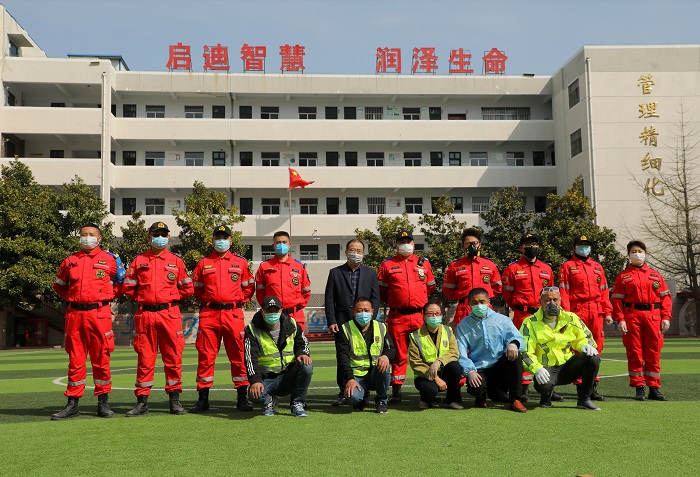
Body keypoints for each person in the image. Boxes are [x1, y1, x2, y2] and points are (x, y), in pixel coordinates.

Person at [51, 224, 123, 420]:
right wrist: (73, 298)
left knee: (101, 359)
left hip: (99, 314)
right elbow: (59, 286)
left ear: (99, 239)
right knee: (75, 360)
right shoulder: (70, 261)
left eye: (91, 235)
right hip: (75, 315)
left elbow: (123, 283)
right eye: (84, 235)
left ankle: (103, 403)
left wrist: (107, 297)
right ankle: (72, 404)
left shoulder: (111, 260)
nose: (87, 238)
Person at [122, 221, 194, 416]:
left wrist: (170, 298)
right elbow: (128, 287)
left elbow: (188, 287)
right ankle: (142, 402)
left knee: (173, 358)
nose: (160, 237)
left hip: (169, 315)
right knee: (145, 359)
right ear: (149, 236)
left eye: (163, 234)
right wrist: (142, 298)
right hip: (145, 314)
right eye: (156, 233)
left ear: (168, 237)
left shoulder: (176, 261)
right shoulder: (138, 261)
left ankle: (175, 401)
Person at [189, 225, 255, 413]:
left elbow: (249, 287)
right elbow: (197, 289)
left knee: (238, 356)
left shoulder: (240, 263)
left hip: (232, 315)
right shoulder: (203, 263)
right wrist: (211, 302)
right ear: (212, 240)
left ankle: (242, 398)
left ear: (231, 241)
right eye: (218, 237)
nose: (221, 240)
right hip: (209, 315)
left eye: (224, 237)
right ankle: (203, 399)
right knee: (205, 357)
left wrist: (236, 302)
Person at [377, 229, 436, 403]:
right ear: (396, 245)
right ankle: (396, 390)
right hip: (397, 317)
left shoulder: (424, 263)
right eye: (402, 241)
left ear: (413, 244)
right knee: (399, 355)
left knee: (425, 353)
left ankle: (428, 388)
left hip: (419, 316)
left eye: (408, 241)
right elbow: (382, 290)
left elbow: (430, 287)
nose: (405, 244)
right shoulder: (387, 265)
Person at [520, 287, 602, 411]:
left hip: (567, 367)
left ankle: (584, 399)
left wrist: (584, 345)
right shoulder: (530, 322)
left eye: (555, 299)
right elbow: (525, 351)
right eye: (547, 300)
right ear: (540, 302)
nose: (552, 303)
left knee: (593, 359)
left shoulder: (571, 318)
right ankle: (546, 395)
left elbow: (585, 336)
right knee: (544, 386)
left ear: (560, 300)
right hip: (545, 369)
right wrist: (536, 369)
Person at [611, 240, 671, 401]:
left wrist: (666, 317)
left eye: (640, 251)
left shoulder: (655, 275)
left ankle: (654, 387)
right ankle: (639, 387)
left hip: (653, 316)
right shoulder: (623, 277)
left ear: (645, 253)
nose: (637, 254)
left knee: (653, 352)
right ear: (629, 255)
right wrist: (620, 319)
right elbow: (616, 300)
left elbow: (666, 298)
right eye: (633, 251)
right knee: (635, 352)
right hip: (632, 316)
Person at [324, 239, 380, 406]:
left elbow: (375, 298)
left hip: (365, 323)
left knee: (367, 356)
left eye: (359, 250)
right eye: (353, 250)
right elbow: (329, 299)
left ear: (363, 253)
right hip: (342, 322)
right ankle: (343, 391)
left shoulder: (370, 273)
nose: (356, 253)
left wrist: (371, 317)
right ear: (346, 252)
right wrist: (332, 320)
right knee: (343, 357)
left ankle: (366, 390)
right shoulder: (335, 273)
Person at [558, 234, 613, 400]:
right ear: (574, 248)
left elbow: (604, 292)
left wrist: (607, 312)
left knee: (597, 347)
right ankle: (581, 386)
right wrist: (567, 314)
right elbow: (564, 292)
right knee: (579, 348)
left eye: (587, 245)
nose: (584, 248)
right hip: (578, 310)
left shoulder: (597, 267)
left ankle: (592, 386)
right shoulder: (567, 266)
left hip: (595, 311)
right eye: (581, 245)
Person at [454, 288, 527, 412]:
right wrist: (470, 371)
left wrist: (513, 344)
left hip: (500, 366)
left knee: (516, 356)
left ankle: (515, 399)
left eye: (482, 301)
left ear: (488, 301)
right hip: (479, 368)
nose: (479, 305)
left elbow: (519, 339)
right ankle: (481, 396)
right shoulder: (463, 325)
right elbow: (460, 352)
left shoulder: (503, 320)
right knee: (477, 387)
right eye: (475, 302)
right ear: (469, 303)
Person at [501, 232, 554, 401]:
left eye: (535, 244)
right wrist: (519, 307)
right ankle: (522, 388)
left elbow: (551, 293)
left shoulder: (546, 269)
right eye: (528, 244)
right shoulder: (512, 269)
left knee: (546, 349)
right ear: (521, 248)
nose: (533, 247)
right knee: (523, 351)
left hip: (543, 315)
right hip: (522, 315)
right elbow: (506, 294)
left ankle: (549, 385)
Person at [245, 295, 313, 417]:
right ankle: (270, 400)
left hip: (288, 375)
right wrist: (255, 381)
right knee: (254, 395)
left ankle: (297, 403)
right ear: (262, 312)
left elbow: (302, 342)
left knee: (306, 365)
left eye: (275, 311)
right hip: (267, 379)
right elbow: (250, 358)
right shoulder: (252, 329)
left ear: (281, 311)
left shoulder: (291, 323)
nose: (273, 314)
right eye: (269, 311)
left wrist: (302, 353)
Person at [336, 296, 395, 414]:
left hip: (375, 373)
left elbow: (391, 349)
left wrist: (385, 356)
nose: (363, 313)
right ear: (353, 313)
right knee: (353, 398)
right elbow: (342, 358)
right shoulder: (345, 329)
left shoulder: (381, 327)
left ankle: (382, 400)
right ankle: (362, 398)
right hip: (356, 375)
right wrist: (350, 378)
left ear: (373, 311)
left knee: (385, 365)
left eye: (366, 310)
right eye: (359, 311)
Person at [409, 298, 463, 409]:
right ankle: (425, 400)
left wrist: (439, 362)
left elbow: (454, 352)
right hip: (425, 375)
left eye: (437, 313)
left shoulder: (448, 331)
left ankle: (452, 400)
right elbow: (415, 363)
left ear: (441, 314)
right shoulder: (415, 336)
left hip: (444, 370)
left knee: (455, 367)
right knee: (430, 390)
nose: (434, 316)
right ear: (424, 316)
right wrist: (435, 377)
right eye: (430, 314)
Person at [443, 228, 502, 328]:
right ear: (463, 246)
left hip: (485, 308)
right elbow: (448, 290)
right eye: (467, 243)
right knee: (463, 340)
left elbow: (497, 287)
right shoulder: (455, 266)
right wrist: (462, 297)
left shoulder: (490, 265)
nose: (471, 246)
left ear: (480, 245)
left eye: (474, 243)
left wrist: (485, 299)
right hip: (464, 309)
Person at [255, 231, 311, 330]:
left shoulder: (299, 267)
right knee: (272, 345)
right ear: (273, 245)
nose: (281, 245)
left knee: (297, 345)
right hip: (273, 316)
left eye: (284, 242)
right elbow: (260, 293)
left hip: (295, 316)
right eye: (278, 242)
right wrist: (269, 308)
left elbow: (306, 291)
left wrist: (296, 307)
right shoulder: (264, 267)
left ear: (290, 245)